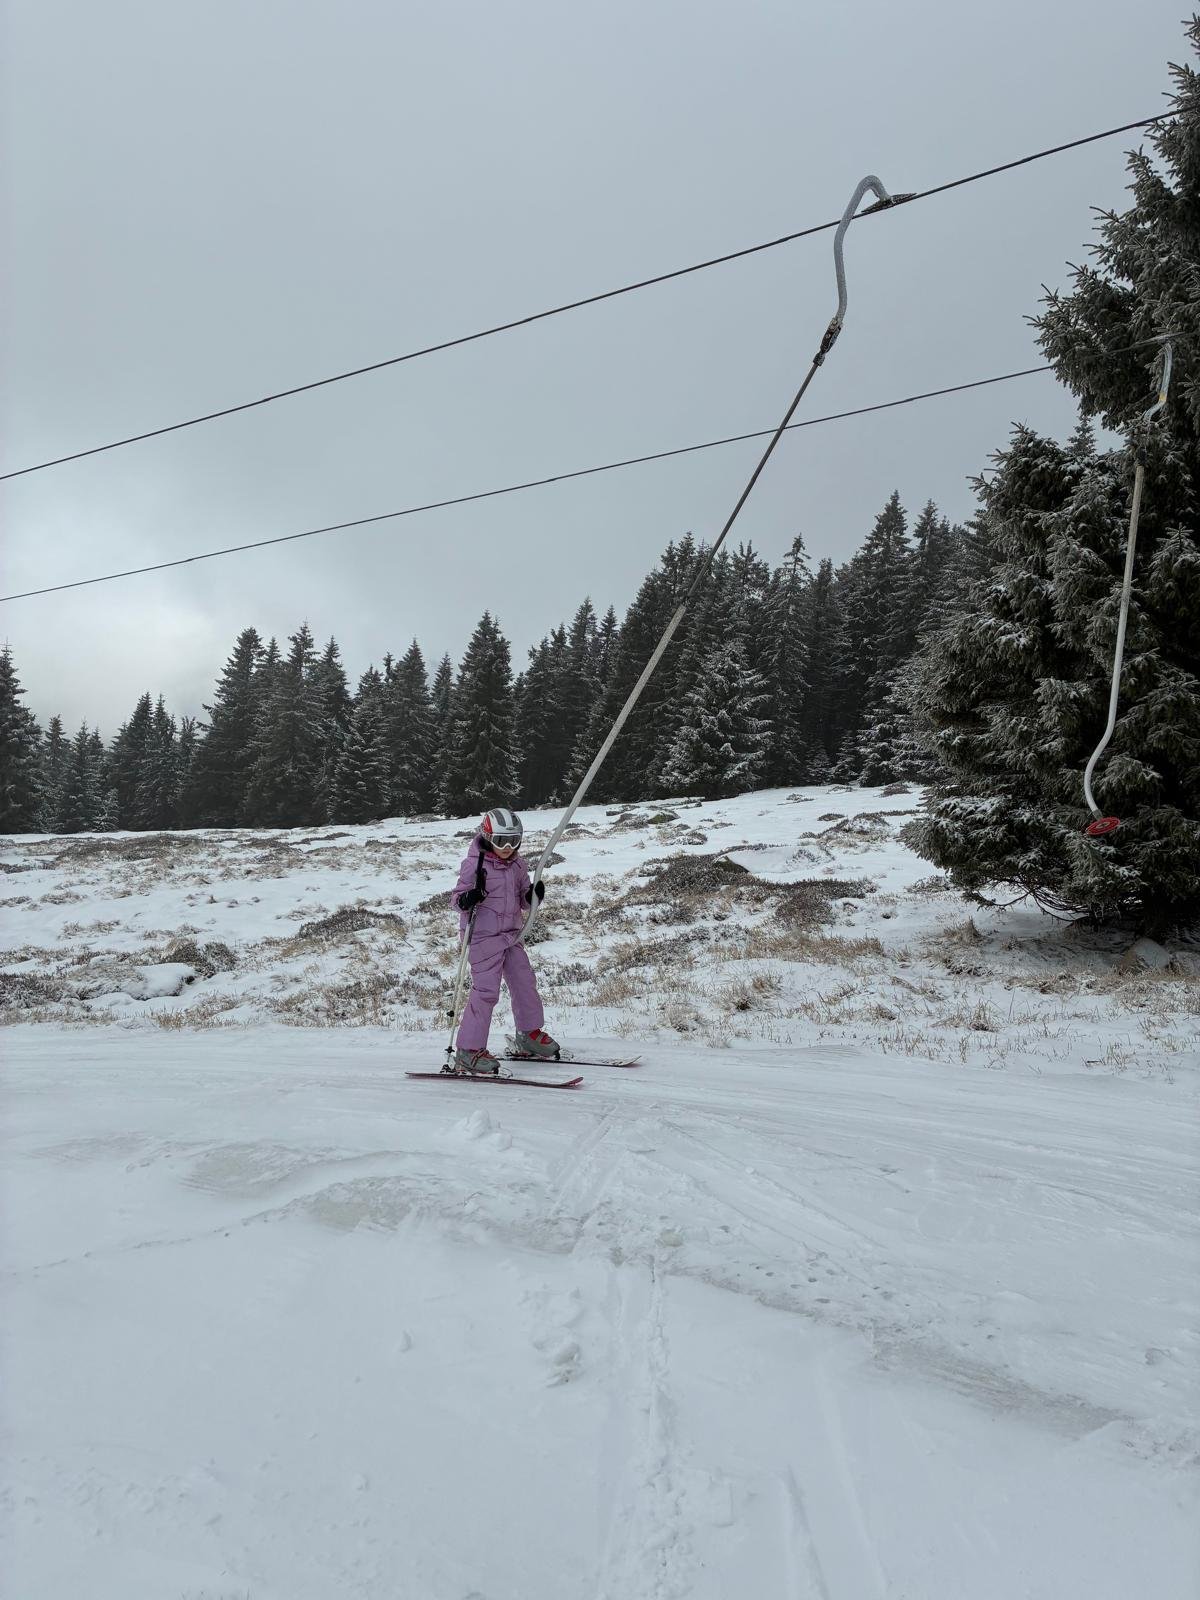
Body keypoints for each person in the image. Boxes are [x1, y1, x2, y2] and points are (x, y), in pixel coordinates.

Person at [449, 807, 557, 1074]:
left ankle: (528, 1034)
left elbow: (523, 901)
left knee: (524, 982)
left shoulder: (518, 865)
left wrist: (533, 896)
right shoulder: (474, 865)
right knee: (486, 992)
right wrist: (468, 898)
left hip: (511, 936)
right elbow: (457, 901)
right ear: (488, 838)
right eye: (501, 841)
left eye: (513, 841)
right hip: (483, 939)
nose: (507, 848)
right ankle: (468, 1050)